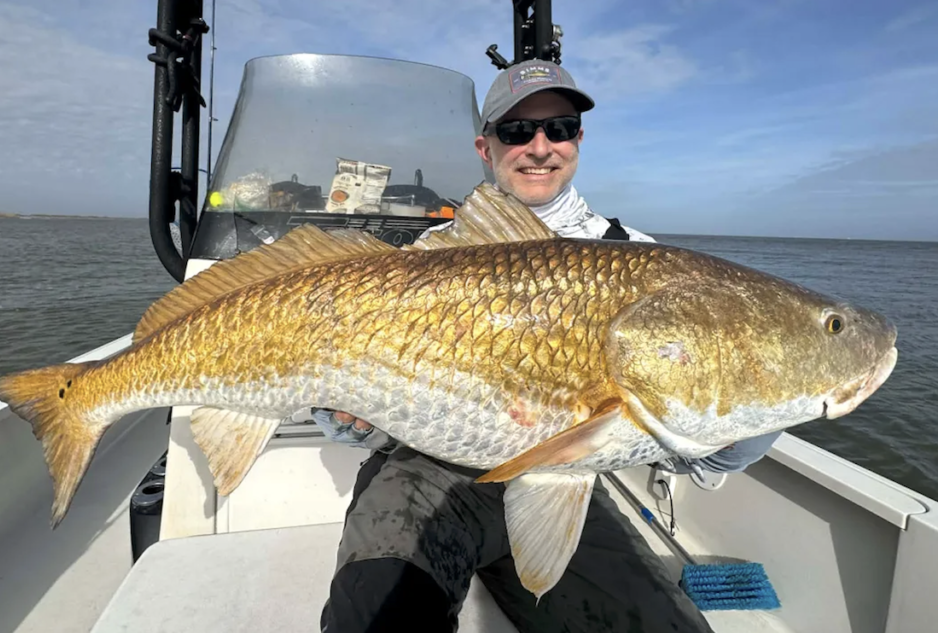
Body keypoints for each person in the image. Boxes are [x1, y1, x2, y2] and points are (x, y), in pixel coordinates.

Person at [315, 59, 782, 633]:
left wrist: (750, 420)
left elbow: (688, 447)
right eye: (516, 131)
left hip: (573, 478)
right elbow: (348, 406)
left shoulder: (638, 259)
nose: (540, 146)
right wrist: (352, 419)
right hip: (427, 473)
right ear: (485, 148)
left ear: (578, 140)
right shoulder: (426, 259)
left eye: (557, 128)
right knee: (375, 617)